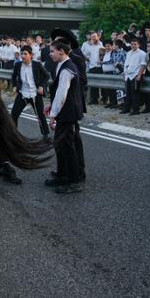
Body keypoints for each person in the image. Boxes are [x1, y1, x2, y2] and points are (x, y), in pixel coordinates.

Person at [45, 40, 84, 194]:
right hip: (64, 112)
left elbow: (63, 94)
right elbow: (58, 92)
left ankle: (73, 182)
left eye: (52, 51)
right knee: (60, 145)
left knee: (67, 146)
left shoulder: (68, 68)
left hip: (68, 113)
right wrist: (51, 106)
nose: (50, 54)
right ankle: (62, 175)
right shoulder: (61, 65)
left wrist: (53, 114)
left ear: (61, 51)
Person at [10, 45, 51, 141]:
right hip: (23, 94)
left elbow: (47, 76)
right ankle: (13, 135)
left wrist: (41, 86)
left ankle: (46, 135)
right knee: (14, 115)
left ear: (31, 55)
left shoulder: (37, 65)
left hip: (35, 95)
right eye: (21, 54)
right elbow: (13, 77)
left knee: (41, 116)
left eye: (25, 54)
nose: (23, 56)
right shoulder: (18, 65)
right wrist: (15, 86)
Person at [121, 38, 147, 115]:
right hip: (128, 75)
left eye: (135, 44)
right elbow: (126, 64)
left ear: (139, 45)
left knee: (135, 93)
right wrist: (124, 73)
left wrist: (139, 75)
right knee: (127, 93)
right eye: (132, 44)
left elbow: (143, 65)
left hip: (135, 75)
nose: (133, 46)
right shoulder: (128, 53)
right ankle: (127, 108)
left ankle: (135, 110)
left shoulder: (142, 53)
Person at [81, 31, 104, 104]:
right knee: (93, 84)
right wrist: (87, 58)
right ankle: (94, 99)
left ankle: (104, 99)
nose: (93, 38)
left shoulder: (101, 45)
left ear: (98, 37)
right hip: (92, 66)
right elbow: (83, 54)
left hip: (100, 66)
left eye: (94, 37)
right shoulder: (89, 46)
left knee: (102, 84)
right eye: (92, 37)